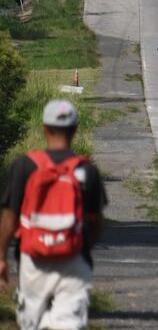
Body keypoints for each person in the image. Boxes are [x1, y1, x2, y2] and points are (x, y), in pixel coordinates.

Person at [0, 100, 107, 330]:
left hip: (33, 259)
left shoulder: (24, 166)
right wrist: (83, 245)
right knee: (69, 324)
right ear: (75, 130)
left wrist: (1, 257)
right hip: (73, 259)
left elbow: (9, 217)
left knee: (33, 323)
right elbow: (96, 222)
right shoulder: (87, 171)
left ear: (44, 130)